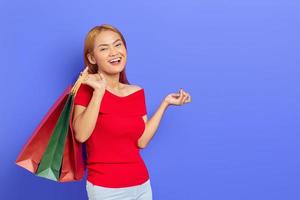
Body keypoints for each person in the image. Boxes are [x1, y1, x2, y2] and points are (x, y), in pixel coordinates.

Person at [72, 24, 192, 200]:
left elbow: (141, 141)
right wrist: (99, 92)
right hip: (106, 189)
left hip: (141, 185)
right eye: (104, 49)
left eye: (117, 44)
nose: (114, 52)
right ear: (91, 58)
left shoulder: (136, 92)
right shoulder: (85, 90)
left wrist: (165, 104)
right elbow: (81, 135)